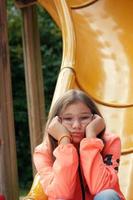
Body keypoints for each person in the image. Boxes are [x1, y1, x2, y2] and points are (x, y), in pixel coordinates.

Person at [33, 89, 125, 200]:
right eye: (68, 119)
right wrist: (64, 142)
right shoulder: (43, 152)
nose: (76, 125)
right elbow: (61, 193)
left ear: (95, 119)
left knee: (107, 194)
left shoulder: (111, 142)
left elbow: (101, 187)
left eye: (84, 117)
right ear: (56, 122)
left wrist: (91, 138)